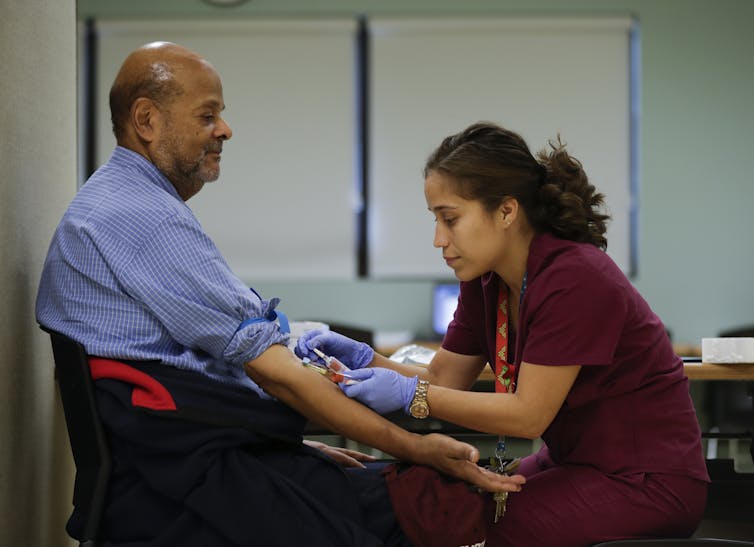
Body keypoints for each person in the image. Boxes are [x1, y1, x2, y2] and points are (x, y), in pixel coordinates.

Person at [36, 44, 523, 547]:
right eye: (208, 114)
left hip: (188, 457)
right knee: (432, 500)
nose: (225, 129)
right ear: (146, 120)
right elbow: (274, 373)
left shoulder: (115, 203)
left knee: (410, 489)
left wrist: (301, 442)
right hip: (196, 470)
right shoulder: (143, 219)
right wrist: (413, 448)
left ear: (508, 213)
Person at [296, 122, 710, 546]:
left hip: (646, 483)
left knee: (456, 520)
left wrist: (407, 396)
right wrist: (364, 361)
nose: (439, 239)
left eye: (450, 218)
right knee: (442, 494)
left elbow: (528, 415)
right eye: (435, 219)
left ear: (507, 211)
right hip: (573, 462)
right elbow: (442, 381)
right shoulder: (485, 281)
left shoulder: (574, 277)